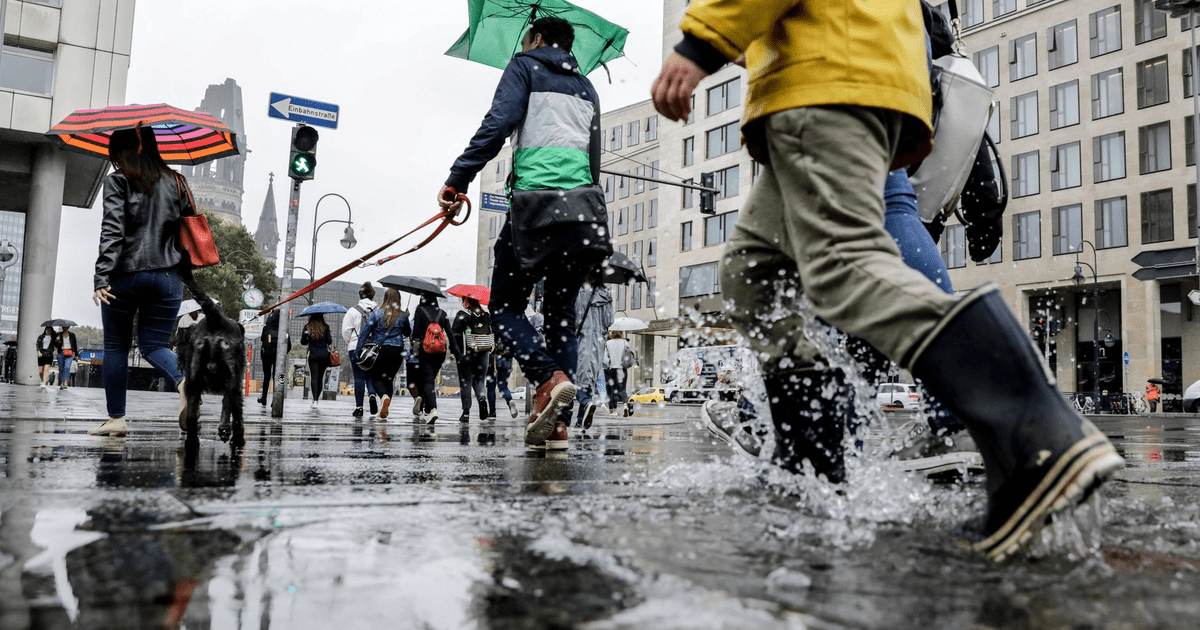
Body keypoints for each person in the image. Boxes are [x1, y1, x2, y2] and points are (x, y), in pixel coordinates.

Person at [651, 0, 1123, 562]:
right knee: (753, 270)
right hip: (857, 67)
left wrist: (701, 43)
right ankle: (812, 468)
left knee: (844, 264)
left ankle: (1040, 437)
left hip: (826, 73)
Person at [439, 16, 609, 450]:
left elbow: (496, 126)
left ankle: (547, 379)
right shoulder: (588, 87)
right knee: (561, 319)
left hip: (536, 207)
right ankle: (557, 425)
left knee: (506, 308)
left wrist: (457, 180)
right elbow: (593, 159)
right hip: (584, 214)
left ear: (537, 38)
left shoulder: (524, 66)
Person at [90, 125, 190, 437]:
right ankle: (185, 382)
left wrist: (101, 275)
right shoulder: (177, 181)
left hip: (126, 277)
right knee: (155, 344)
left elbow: (113, 229)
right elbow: (190, 229)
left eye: (117, 157)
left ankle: (116, 418)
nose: (117, 164)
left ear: (130, 152)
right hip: (169, 278)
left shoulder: (118, 181)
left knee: (116, 346)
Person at [358, 288, 411, 420]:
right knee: (389, 380)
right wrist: (406, 318)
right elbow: (407, 333)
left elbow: (365, 333)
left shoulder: (376, 314)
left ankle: (383, 397)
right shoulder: (402, 315)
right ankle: (384, 411)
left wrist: (358, 352)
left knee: (376, 378)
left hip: (380, 351)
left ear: (385, 298)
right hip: (397, 351)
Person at [574, 273, 613, 428]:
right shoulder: (606, 295)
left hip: (582, 339)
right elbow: (609, 321)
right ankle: (580, 420)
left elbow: (574, 317)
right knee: (590, 379)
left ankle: (585, 402)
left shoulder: (579, 292)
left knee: (575, 379)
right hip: (599, 342)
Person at [451, 296, 494, 422]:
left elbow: (455, 334)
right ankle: (482, 399)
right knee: (480, 380)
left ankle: (466, 413)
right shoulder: (485, 315)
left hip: (466, 353)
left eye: (463, 300)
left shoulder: (461, 315)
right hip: (483, 352)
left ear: (466, 302)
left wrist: (454, 351)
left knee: (466, 383)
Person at [410, 292, 450, 423]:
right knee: (429, 379)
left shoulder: (420, 311)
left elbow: (416, 332)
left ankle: (432, 409)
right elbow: (449, 333)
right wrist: (457, 352)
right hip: (440, 351)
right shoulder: (442, 313)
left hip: (426, 350)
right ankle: (425, 410)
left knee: (427, 381)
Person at [342, 282, 379, 418]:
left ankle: (359, 408)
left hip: (355, 345)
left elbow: (345, 331)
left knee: (359, 377)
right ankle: (372, 394)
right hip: (374, 348)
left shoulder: (352, 311)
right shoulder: (378, 310)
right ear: (372, 296)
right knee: (371, 374)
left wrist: (352, 341)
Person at [300, 313, 333, 408]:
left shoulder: (307, 327)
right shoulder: (325, 327)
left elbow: (303, 342)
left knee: (314, 377)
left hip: (313, 354)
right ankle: (317, 399)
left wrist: (308, 337)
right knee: (320, 378)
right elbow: (329, 341)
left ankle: (314, 400)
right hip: (324, 355)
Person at [258, 308, 289, 406]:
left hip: (267, 354)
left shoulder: (267, 328)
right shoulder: (283, 329)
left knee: (266, 375)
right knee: (277, 376)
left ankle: (264, 397)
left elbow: (263, 339)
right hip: (278, 355)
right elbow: (289, 345)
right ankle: (276, 399)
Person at [605, 331, 633, 417]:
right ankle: (625, 406)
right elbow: (628, 354)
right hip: (622, 368)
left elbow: (606, 356)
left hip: (612, 368)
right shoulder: (625, 342)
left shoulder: (608, 343)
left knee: (614, 390)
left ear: (612, 334)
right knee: (623, 389)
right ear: (621, 334)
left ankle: (615, 411)